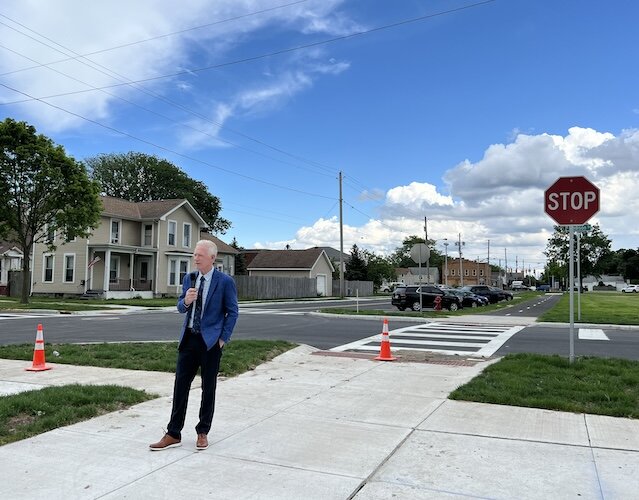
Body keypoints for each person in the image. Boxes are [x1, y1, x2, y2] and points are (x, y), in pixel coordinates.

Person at [150, 239, 239, 451]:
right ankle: (173, 433)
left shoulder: (225, 282)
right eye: (194, 255)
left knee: (208, 388)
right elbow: (180, 307)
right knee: (180, 386)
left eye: (199, 255)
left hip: (210, 343)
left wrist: (222, 339)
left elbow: (232, 312)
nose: (195, 258)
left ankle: (202, 432)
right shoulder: (189, 278)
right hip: (189, 339)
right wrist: (187, 301)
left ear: (212, 258)